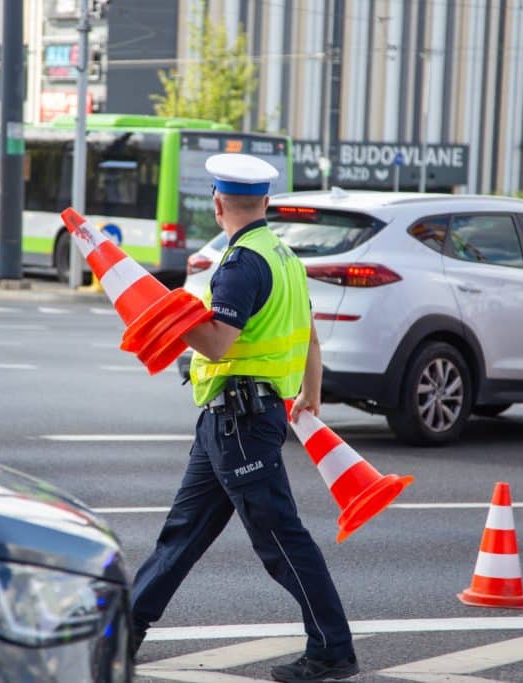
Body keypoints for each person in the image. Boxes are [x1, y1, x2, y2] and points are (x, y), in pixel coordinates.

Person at [130, 154, 359, 682]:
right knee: (181, 535)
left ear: (216, 204)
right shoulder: (283, 257)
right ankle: (126, 629)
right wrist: (310, 395)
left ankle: (333, 650)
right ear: (266, 204)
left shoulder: (239, 265)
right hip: (232, 421)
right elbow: (309, 337)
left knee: (280, 540)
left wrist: (168, 318)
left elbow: (217, 339)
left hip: (240, 424)